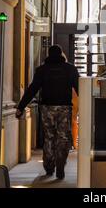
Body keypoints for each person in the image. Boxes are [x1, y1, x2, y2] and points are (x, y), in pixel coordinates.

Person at [15, 45, 80, 179]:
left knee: (49, 137)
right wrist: (86, 107)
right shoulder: (70, 69)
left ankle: (49, 167)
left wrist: (20, 107)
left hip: (46, 108)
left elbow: (32, 89)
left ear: (49, 55)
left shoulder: (42, 70)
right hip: (64, 108)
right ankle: (61, 164)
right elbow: (80, 88)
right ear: (61, 54)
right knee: (63, 138)